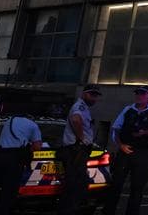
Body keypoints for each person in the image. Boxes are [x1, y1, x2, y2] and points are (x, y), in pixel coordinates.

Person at [104, 86, 148, 215]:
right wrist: (120, 145)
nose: (139, 96)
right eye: (137, 93)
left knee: (137, 186)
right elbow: (116, 129)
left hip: (142, 151)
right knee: (116, 184)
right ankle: (108, 211)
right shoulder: (128, 109)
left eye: (142, 94)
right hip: (126, 149)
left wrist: (146, 132)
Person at [0, 111, 43, 215]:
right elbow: (37, 147)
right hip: (14, 160)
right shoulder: (33, 125)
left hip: (0, 157)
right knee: (8, 191)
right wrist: (28, 149)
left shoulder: (9, 121)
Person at [60, 85, 102, 215]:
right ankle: (69, 210)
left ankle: (71, 208)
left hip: (77, 149)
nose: (94, 98)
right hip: (76, 149)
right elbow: (75, 120)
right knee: (75, 182)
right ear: (84, 94)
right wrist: (82, 139)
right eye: (91, 95)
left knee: (77, 181)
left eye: (96, 95)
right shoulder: (80, 106)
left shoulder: (84, 108)